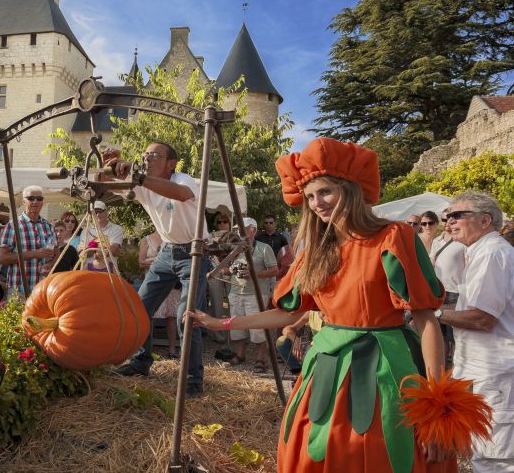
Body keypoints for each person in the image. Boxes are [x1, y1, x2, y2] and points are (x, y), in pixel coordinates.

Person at [186, 138, 453, 471]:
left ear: (350, 190)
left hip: (387, 367)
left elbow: (426, 319)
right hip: (327, 367)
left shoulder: (393, 237)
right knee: (318, 449)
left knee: (383, 450)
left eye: (325, 192)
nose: (316, 203)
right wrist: (221, 323)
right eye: (310, 196)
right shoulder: (316, 250)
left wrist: (436, 404)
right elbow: (291, 312)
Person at [106, 141, 210, 399]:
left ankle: (192, 380)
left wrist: (139, 177)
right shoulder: (143, 184)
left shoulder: (183, 179)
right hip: (167, 252)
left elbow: (181, 194)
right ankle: (141, 362)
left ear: (170, 163)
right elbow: (109, 185)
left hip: (194, 251)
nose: (147, 158)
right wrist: (109, 166)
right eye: (145, 155)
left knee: (187, 317)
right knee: (138, 309)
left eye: (154, 155)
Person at [438, 191, 514, 472]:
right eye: (447, 216)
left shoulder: (492, 253)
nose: (449, 222)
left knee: (496, 459)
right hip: (489, 371)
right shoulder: (482, 252)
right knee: (486, 453)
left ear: (485, 220)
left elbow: (483, 318)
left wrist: (434, 315)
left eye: (458, 215)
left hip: (496, 374)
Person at [225, 217, 278, 371]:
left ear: (253, 230)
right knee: (237, 327)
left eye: (242, 228)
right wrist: (230, 270)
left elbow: (274, 270)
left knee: (257, 328)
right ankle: (240, 354)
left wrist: (253, 273)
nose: (238, 232)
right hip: (236, 292)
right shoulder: (234, 248)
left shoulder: (264, 248)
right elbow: (224, 269)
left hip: (256, 294)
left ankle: (261, 358)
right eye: (237, 229)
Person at [0, 185, 56, 296]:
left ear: (42, 202)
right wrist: (34, 254)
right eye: (31, 198)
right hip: (19, 289)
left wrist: (51, 264)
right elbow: (2, 258)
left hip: (42, 290)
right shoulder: (13, 225)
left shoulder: (48, 226)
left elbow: (56, 251)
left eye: (39, 199)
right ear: (24, 201)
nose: (35, 202)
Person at [429, 208, 465, 365]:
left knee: (455, 336)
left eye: (450, 218)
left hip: (455, 292)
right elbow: (432, 264)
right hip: (438, 292)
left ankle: (457, 368)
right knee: (441, 335)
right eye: (444, 219)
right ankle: (443, 369)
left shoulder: (462, 242)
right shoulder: (437, 241)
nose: (448, 222)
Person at [140, 230, 179, 359]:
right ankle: (147, 351)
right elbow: (141, 262)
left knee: (171, 316)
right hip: (154, 281)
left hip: (171, 282)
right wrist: (159, 261)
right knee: (148, 314)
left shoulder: (172, 237)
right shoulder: (146, 240)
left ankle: (172, 350)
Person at [205, 212, 232, 343]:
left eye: (224, 221)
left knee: (233, 302)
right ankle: (219, 335)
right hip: (215, 272)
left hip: (231, 271)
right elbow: (207, 253)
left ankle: (235, 334)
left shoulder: (235, 235)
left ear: (229, 223)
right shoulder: (210, 236)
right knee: (216, 304)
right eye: (219, 222)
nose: (222, 224)